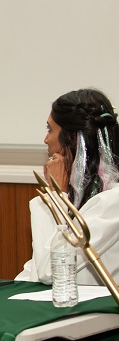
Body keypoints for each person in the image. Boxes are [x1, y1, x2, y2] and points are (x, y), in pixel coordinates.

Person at [16, 88, 119, 286]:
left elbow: (50, 270)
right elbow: (36, 266)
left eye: (50, 130)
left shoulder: (112, 201)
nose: (46, 140)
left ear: (71, 137)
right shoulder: (80, 194)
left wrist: (54, 195)